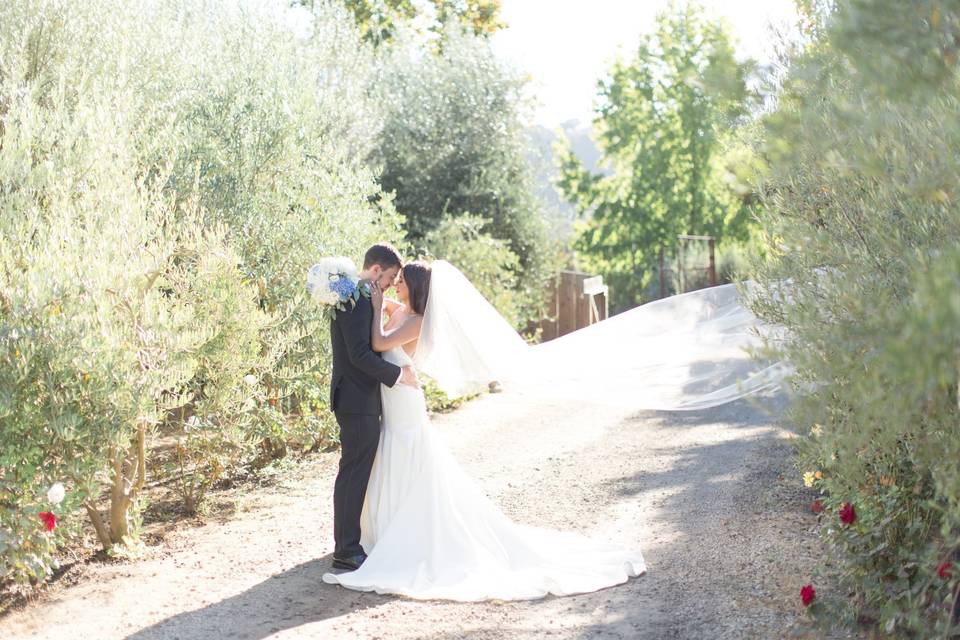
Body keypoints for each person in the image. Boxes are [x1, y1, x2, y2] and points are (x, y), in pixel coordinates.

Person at [322, 259, 645, 601]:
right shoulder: (404, 309)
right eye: (393, 280)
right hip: (393, 400)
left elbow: (379, 341)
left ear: (414, 288)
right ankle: (382, 531)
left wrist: (374, 308)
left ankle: (408, 535)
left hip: (402, 400)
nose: (393, 286)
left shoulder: (416, 321)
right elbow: (380, 303)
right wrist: (368, 295)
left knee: (408, 460)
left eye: (400, 282)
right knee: (391, 461)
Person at [328, 242, 419, 572]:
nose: (390, 285)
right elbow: (360, 355)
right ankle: (347, 548)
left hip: (356, 397)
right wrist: (399, 375)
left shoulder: (357, 294)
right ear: (377, 270)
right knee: (353, 471)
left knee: (354, 470)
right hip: (356, 399)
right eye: (390, 277)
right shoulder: (358, 298)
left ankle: (348, 542)